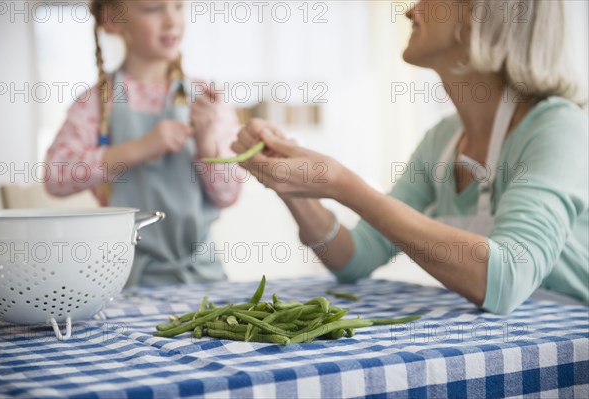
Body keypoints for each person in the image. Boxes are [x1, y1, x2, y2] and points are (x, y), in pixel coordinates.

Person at [232, 0, 588, 314]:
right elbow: (356, 256)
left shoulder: (559, 127)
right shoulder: (444, 139)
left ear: (478, 15)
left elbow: (506, 278)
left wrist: (343, 185)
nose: (409, 9)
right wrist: (290, 181)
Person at [45, 0, 241, 286]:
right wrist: (141, 148)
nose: (172, 20)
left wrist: (206, 141)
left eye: (177, 6)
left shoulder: (205, 100)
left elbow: (229, 195)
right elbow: (55, 177)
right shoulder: (96, 104)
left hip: (204, 278)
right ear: (114, 18)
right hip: (125, 282)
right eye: (153, 9)